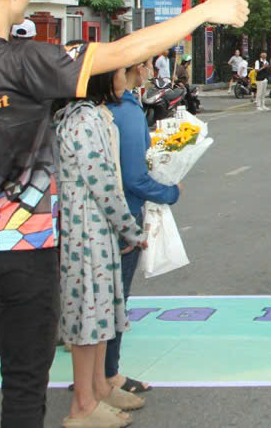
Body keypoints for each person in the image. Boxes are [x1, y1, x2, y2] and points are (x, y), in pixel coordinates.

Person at [0, 0, 247, 427]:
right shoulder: (25, 59)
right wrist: (203, 12)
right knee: (24, 383)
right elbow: (124, 50)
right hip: (25, 249)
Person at [56, 69, 148, 428]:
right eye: (121, 71)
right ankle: (83, 405)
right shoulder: (83, 120)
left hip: (97, 228)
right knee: (88, 315)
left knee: (101, 312)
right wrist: (130, 228)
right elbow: (103, 183)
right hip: (86, 229)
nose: (126, 76)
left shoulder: (90, 115)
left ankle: (99, 387)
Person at [105, 59, 180, 401]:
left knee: (97, 299)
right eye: (146, 63)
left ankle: (92, 377)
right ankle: (108, 376)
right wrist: (169, 191)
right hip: (124, 215)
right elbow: (134, 177)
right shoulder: (126, 111)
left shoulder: (89, 110)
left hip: (91, 217)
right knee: (115, 298)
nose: (151, 69)